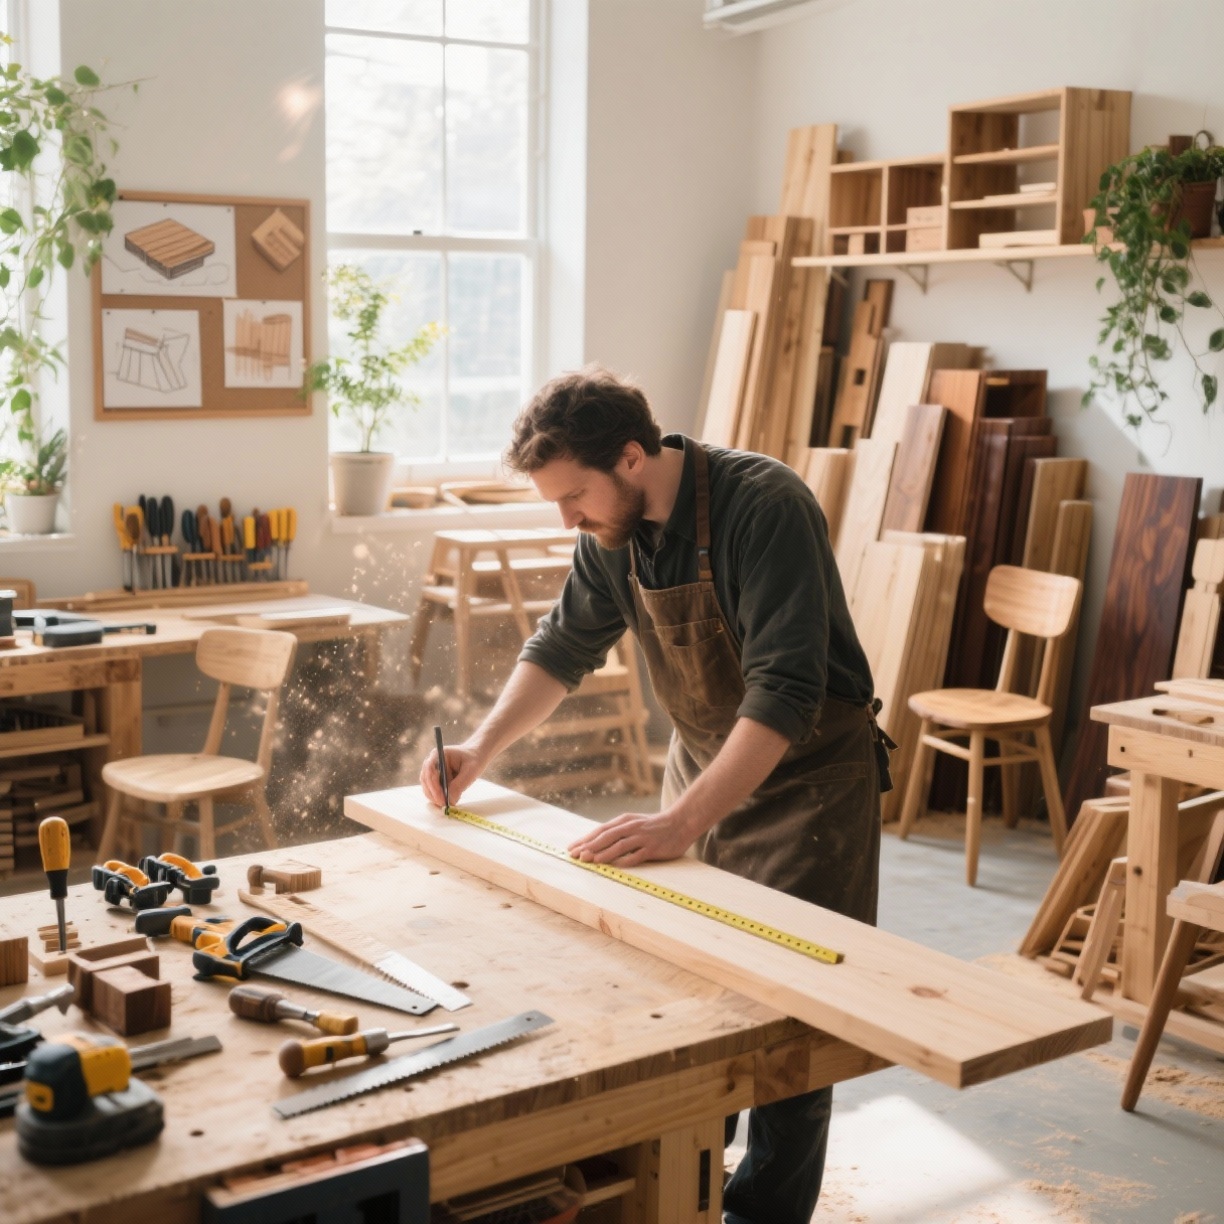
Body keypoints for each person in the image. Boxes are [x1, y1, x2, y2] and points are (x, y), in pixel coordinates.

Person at [420, 365, 889, 1224]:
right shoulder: (614, 533)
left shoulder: (765, 508)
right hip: (703, 762)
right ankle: (688, 1194)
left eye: (573, 497)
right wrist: (481, 750)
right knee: (695, 1002)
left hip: (811, 783)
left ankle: (761, 1215)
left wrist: (682, 822)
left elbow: (783, 695)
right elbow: (562, 645)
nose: (567, 519)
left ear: (632, 458)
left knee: (792, 1032)